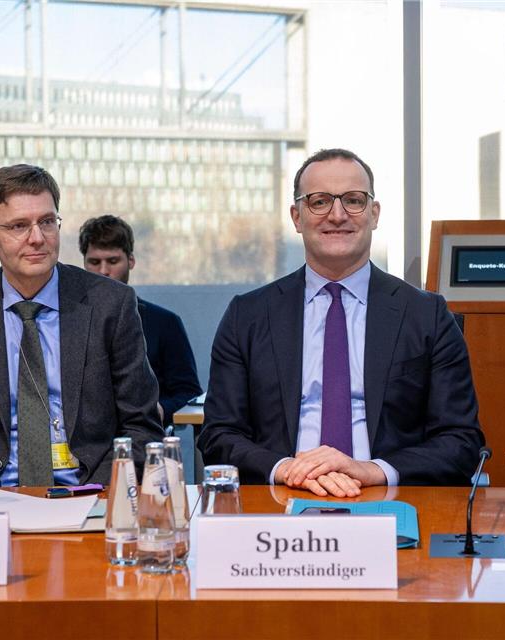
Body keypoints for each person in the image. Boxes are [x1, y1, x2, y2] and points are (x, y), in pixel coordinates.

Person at [198, 148, 485, 497]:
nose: (337, 215)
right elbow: (219, 435)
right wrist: (286, 469)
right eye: (319, 202)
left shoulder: (427, 315)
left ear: (374, 214)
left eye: (353, 200)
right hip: (283, 496)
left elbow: (461, 440)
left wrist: (372, 470)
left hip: (389, 497)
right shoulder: (247, 316)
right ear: (297, 217)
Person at [0, 164, 163, 487]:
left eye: (47, 222)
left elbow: (141, 426)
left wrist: (99, 493)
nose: (37, 238)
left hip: (90, 491)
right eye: (19, 226)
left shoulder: (110, 304)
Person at [79, 215, 202, 424]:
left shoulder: (164, 323)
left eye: (113, 261)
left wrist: (159, 410)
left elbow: (189, 393)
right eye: (94, 262)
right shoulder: (69, 320)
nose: (103, 271)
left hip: (146, 434)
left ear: (131, 261)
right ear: (84, 263)